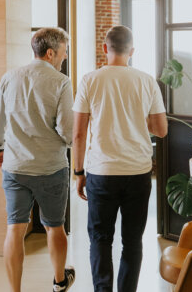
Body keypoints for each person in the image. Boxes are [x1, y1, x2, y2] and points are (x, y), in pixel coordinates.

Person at [72, 25, 167, 292]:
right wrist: (138, 120)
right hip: (137, 172)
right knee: (132, 241)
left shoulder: (90, 80)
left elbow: (78, 134)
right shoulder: (146, 81)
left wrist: (79, 173)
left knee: (101, 239)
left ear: (105, 48)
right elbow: (161, 129)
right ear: (132, 52)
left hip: (101, 172)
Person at [0, 27, 76, 292]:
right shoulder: (61, 82)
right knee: (55, 227)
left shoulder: (9, 77)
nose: (63, 58)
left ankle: (15, 290)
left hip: (15, 167)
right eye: (63, 52)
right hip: (50, 168)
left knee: (15, 229)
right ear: (51, 52)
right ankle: (60, 281)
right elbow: (66, 129)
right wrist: (77, 143)